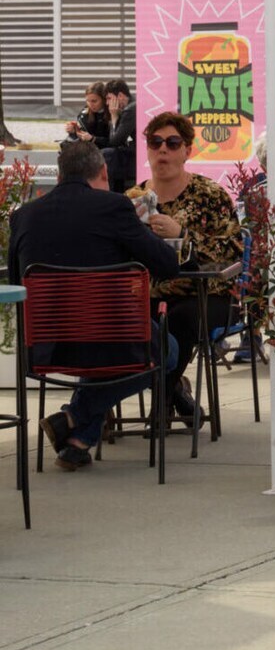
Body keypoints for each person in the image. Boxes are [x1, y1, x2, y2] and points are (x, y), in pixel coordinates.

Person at [8, 140, 186, 470]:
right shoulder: (115, 208)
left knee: (98, 343)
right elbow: (168, 265)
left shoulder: (23, 216)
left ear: (60, 176)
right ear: (103, 172)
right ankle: (73, 417)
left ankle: (76, 443)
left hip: (48, 345)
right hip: (114, 343)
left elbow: (18, 280)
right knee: (167, 350)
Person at [137, 111, 245, 423]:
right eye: (155, 142)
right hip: (150, 295)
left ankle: (162, 401)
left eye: (172, 143)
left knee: (177, 318)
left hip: (210, 295)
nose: (163, 150)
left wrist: (182, 236)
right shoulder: (134, 199)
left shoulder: (210, 196)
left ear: (188, 151)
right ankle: (173, 392)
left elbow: (232, 254)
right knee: (120, 318)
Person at [101, 80, 136, 191]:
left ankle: (108, 192)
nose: (107, 103)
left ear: (120, 95)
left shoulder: (130, 110)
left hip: (137, 156)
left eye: (109, 98)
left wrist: (114, 116)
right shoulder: (133, 104)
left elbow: (115, 141)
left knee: (107, 155)